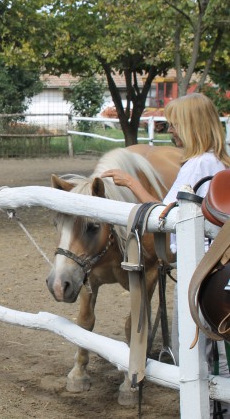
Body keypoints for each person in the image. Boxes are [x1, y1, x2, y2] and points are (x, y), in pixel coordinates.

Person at [102, 92, 230, 418]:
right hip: (215, 264)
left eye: (174, 124)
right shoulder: (217, 162)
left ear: (190, 125)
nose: (169, 130)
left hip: (199, 268)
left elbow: (163, 216)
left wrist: (131, 182)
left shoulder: (198, 166)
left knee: (201, 353)